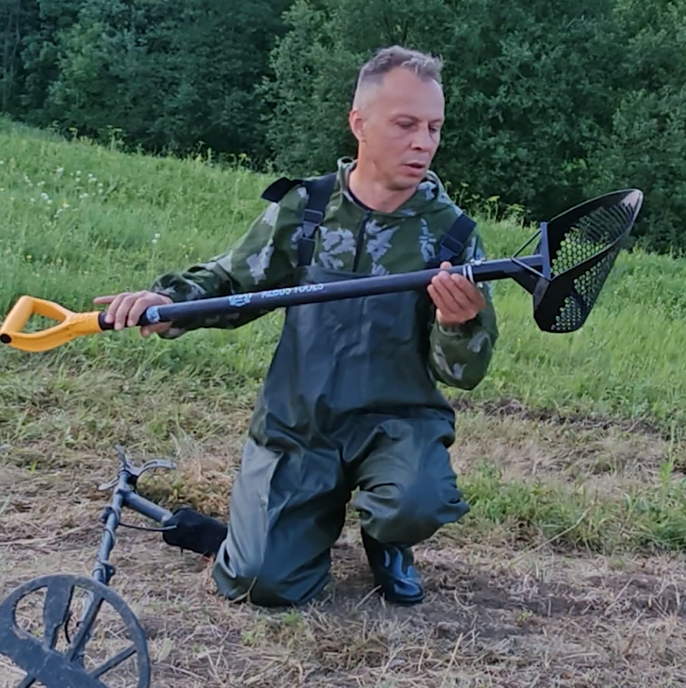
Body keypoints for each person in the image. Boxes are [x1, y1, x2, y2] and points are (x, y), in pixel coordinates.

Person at [94, 45, 499, 607]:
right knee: (261, 582)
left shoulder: (452, 236)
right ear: (358, 123)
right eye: (405, 124)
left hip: (396, 425)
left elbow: (464, 371)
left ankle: (387, 537)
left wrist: (461, 322)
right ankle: (291, 525)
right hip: (298, 425)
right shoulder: (307, 209)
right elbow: (233, 283)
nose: (423, 142)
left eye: (434, 127)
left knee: (417, 499)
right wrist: (166, 301)